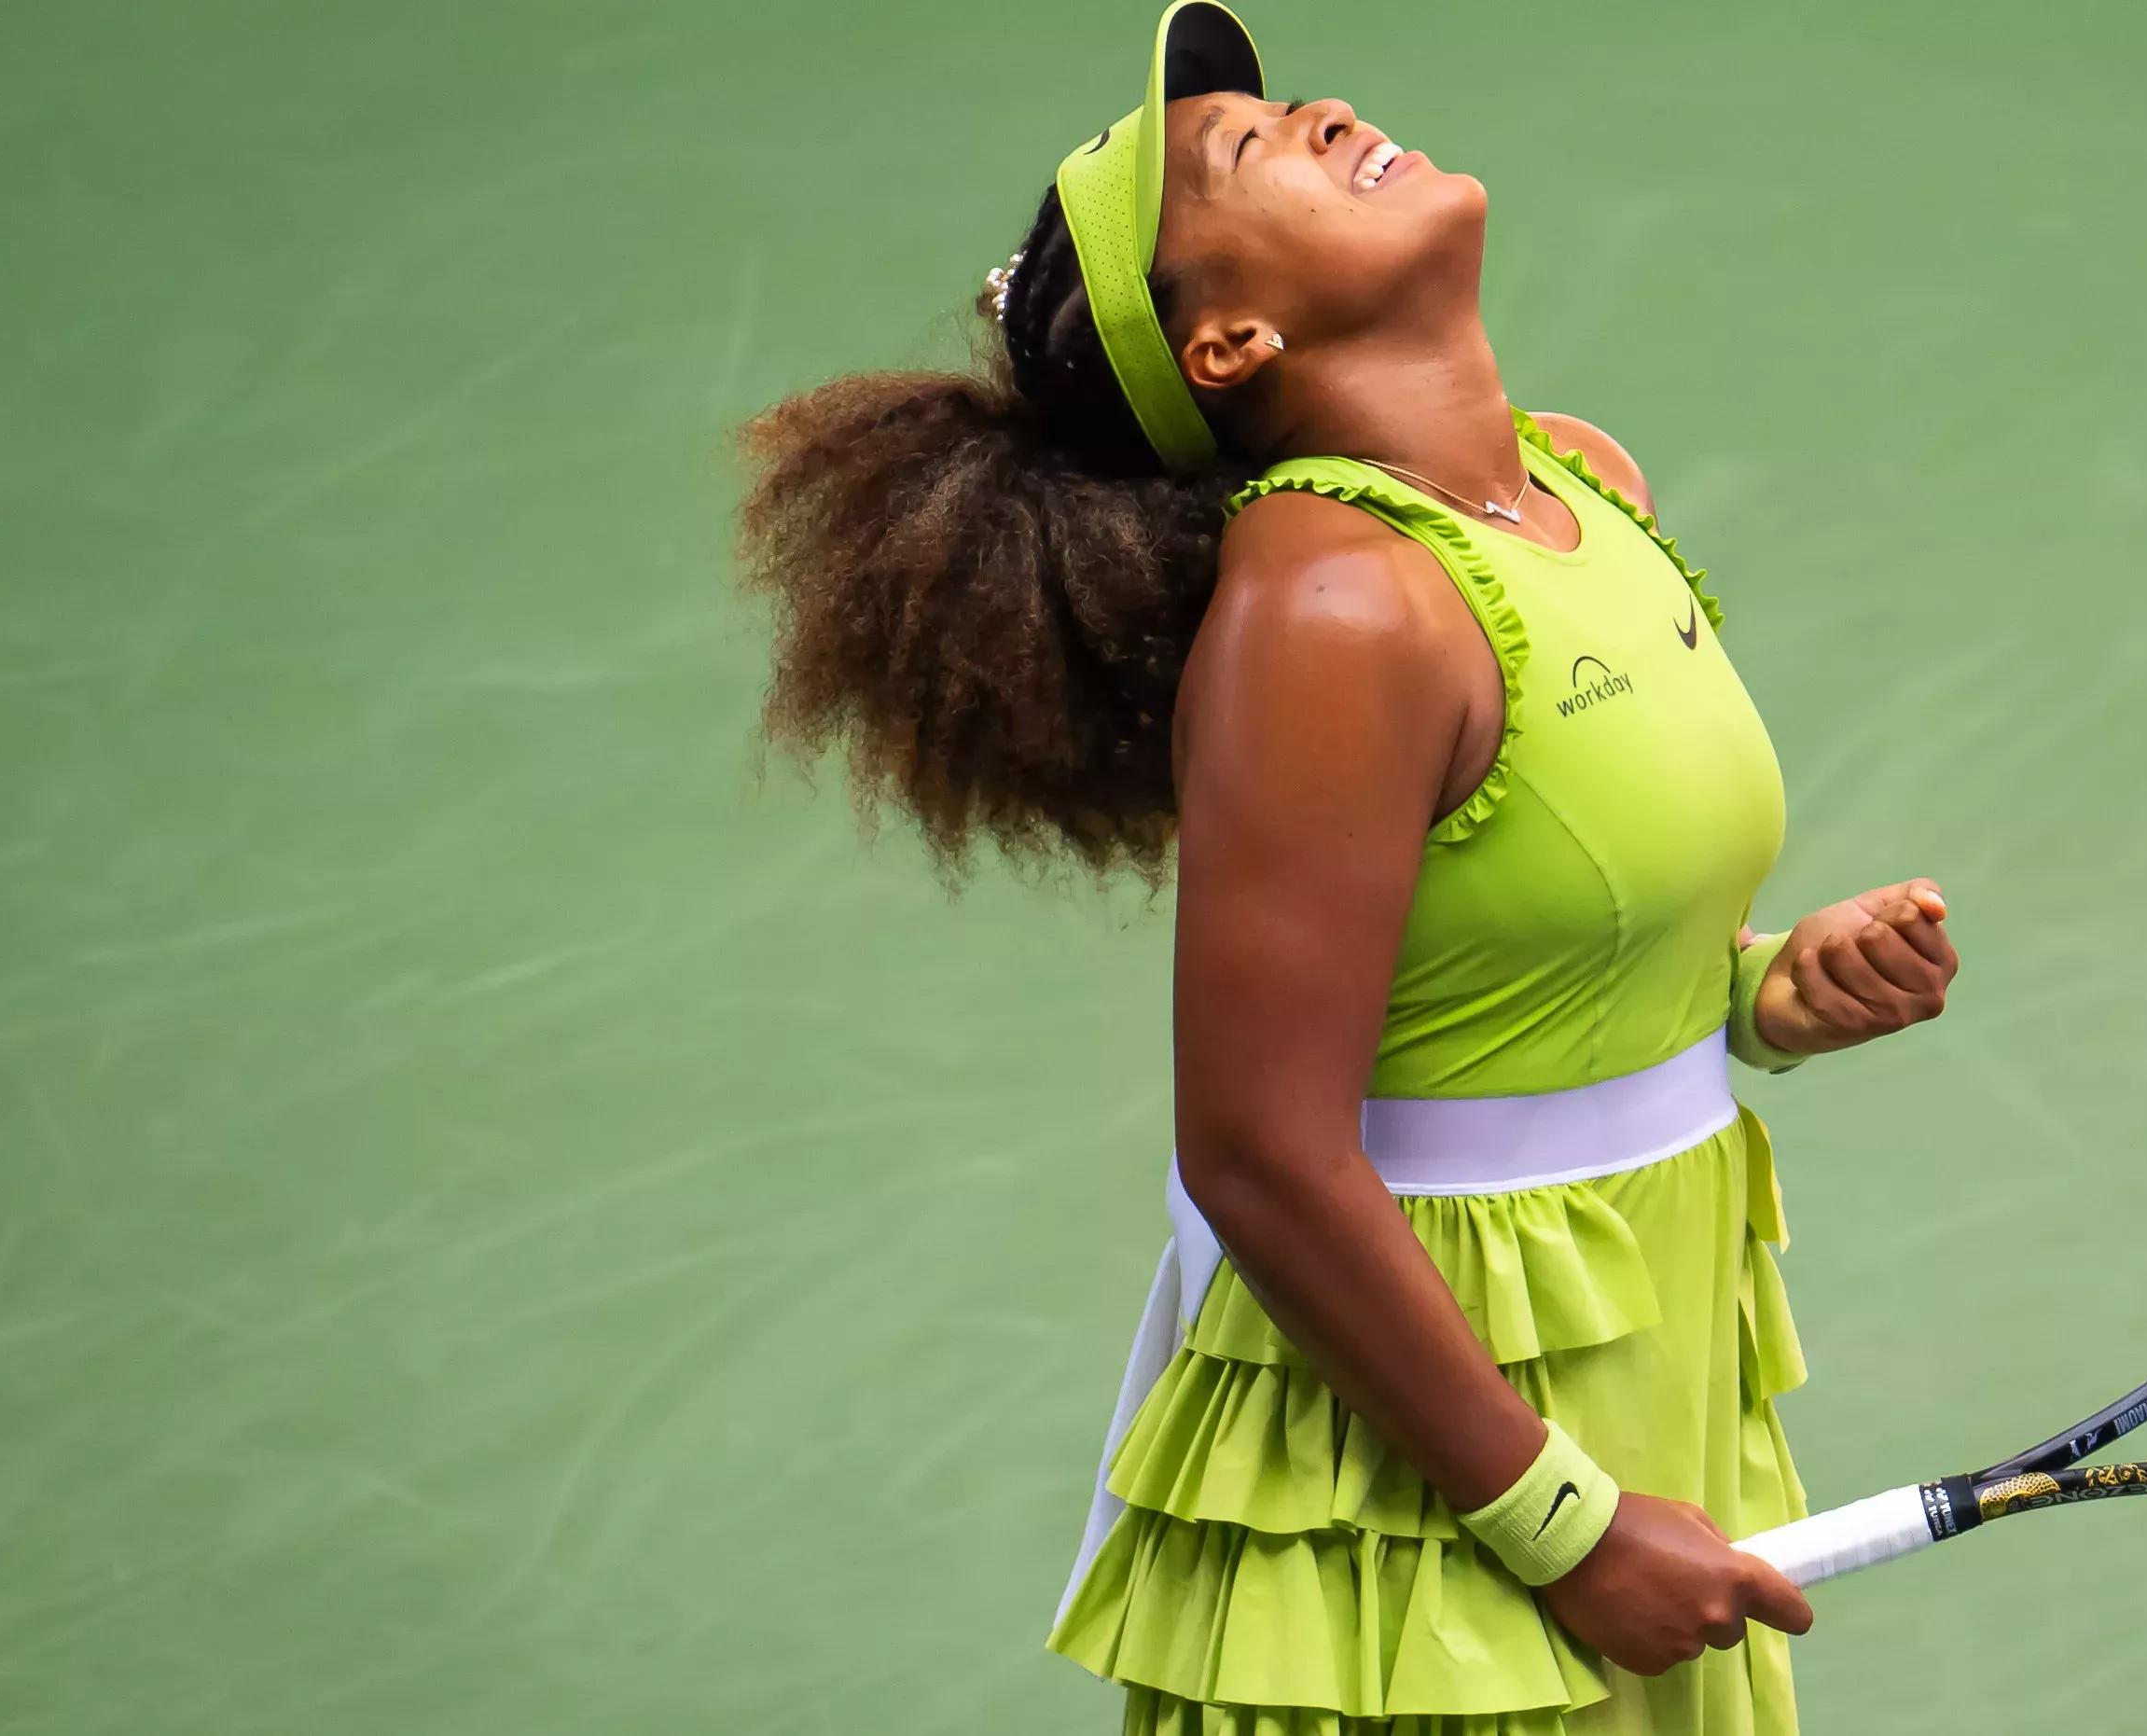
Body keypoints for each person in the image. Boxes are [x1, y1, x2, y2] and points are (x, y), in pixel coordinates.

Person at [733, 6, 1959, 1730]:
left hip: (1653, 1320)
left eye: (1288, 103)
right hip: (1432, 1437)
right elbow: (1257, 1151)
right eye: (1250, 148)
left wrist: (1766, 990)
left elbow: (1534, 928)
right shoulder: (1334, 609)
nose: (1320, 113)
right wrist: (1559, 1521)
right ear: (1229, 340)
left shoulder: (1581, 484)